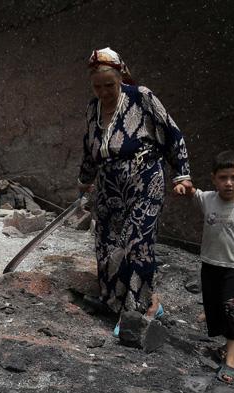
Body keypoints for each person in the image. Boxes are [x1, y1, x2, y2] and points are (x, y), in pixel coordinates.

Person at [77, 47, 192, 335]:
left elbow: (172, 132)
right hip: (108, 185)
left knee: (136, 243)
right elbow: (89, 148)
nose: (104, 91)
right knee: (107, 243)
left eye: (109, 85)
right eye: (97, 86)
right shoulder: (93, 108)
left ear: (121, 77)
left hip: (144, 180)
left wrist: (181, 173)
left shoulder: (142, 97)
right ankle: (115, 301)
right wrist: (85, 180)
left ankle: (138, 310)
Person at [187, 150, 234, 383]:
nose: (228, 183)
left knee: (231, 311)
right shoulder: (209, 199)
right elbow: (193, 192)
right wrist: (184, 186)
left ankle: (230, 358)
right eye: (223, 177)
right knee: (213, 309)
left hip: (232, 268)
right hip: (209, 264)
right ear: (214, 178)